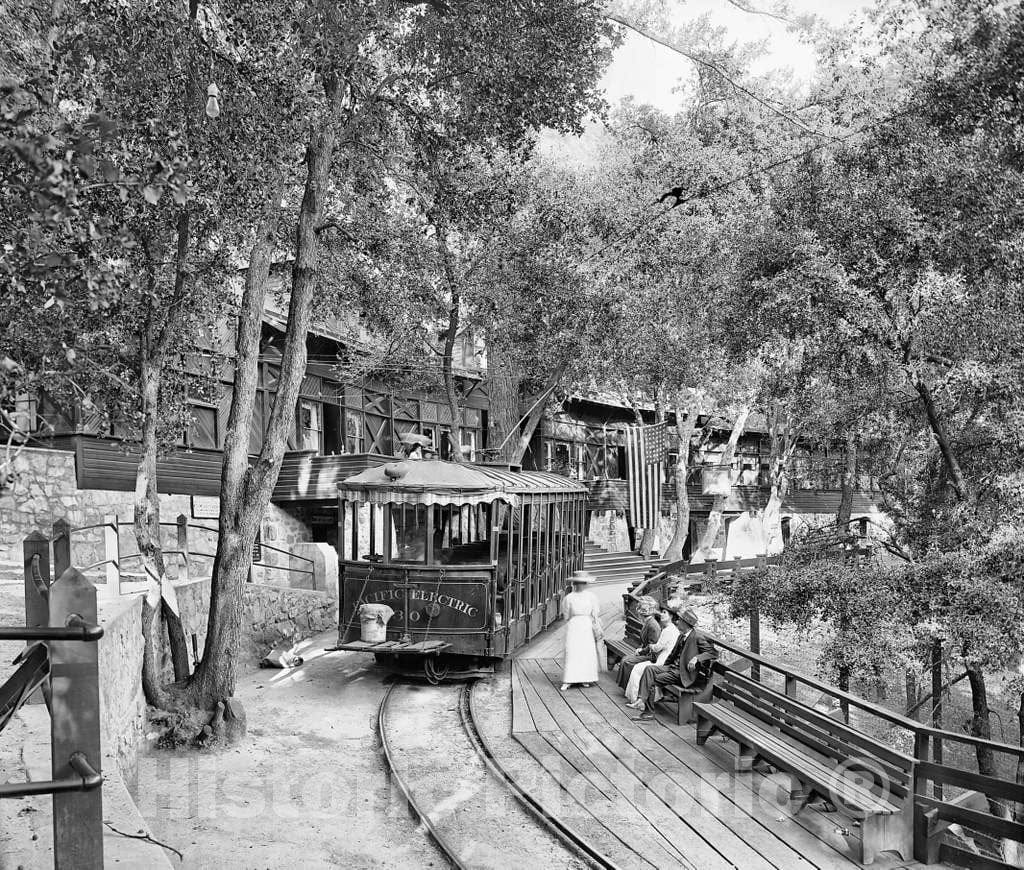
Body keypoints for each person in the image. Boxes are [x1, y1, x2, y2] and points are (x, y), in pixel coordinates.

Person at [632, 605, 717, 720]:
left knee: (650, 680)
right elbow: (672, 655)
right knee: (649, 669)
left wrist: (696, 658)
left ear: (686, 623)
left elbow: (713, 653)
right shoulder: (682, 636)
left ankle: (648, 712)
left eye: (680, 620)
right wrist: (665, 666)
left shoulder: (696, 637)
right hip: (672, 668)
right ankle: (641, 699)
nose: (677, 621)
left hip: (683, 674)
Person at [624, 609, 679, 704]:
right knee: (639, 667)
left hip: (662, 661)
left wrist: (650, 646)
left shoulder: (668, 630)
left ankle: (636, 699)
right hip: (665, 659)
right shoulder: (673, 629)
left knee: (637, 669)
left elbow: (657, 648)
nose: (661, 614)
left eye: (664, 613)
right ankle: (642, 698)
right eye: (661, 612)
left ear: (671, 616)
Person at [560, 570, 602, 691]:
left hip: (587, 625)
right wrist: (573, 621)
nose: (581, 585)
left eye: (583, 582)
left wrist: (595, 624)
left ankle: (585, 677)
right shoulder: (569, 598)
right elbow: (566, 615)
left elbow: (595, 612)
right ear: (574, 584)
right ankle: (569, 679)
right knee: (572, 650)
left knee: (586, 651)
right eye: (578, 583)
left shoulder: (591, 597)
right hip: (574, 625)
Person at [615, 596, 662, 690]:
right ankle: (626, 686)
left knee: (627, 661)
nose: (640, 613)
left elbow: (652, 646)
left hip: (652, 656)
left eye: (642, 610)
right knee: (625, 659)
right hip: (646, 651)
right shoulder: (648, 622)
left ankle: (627, 686)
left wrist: (640, 652)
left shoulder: (652, 625)